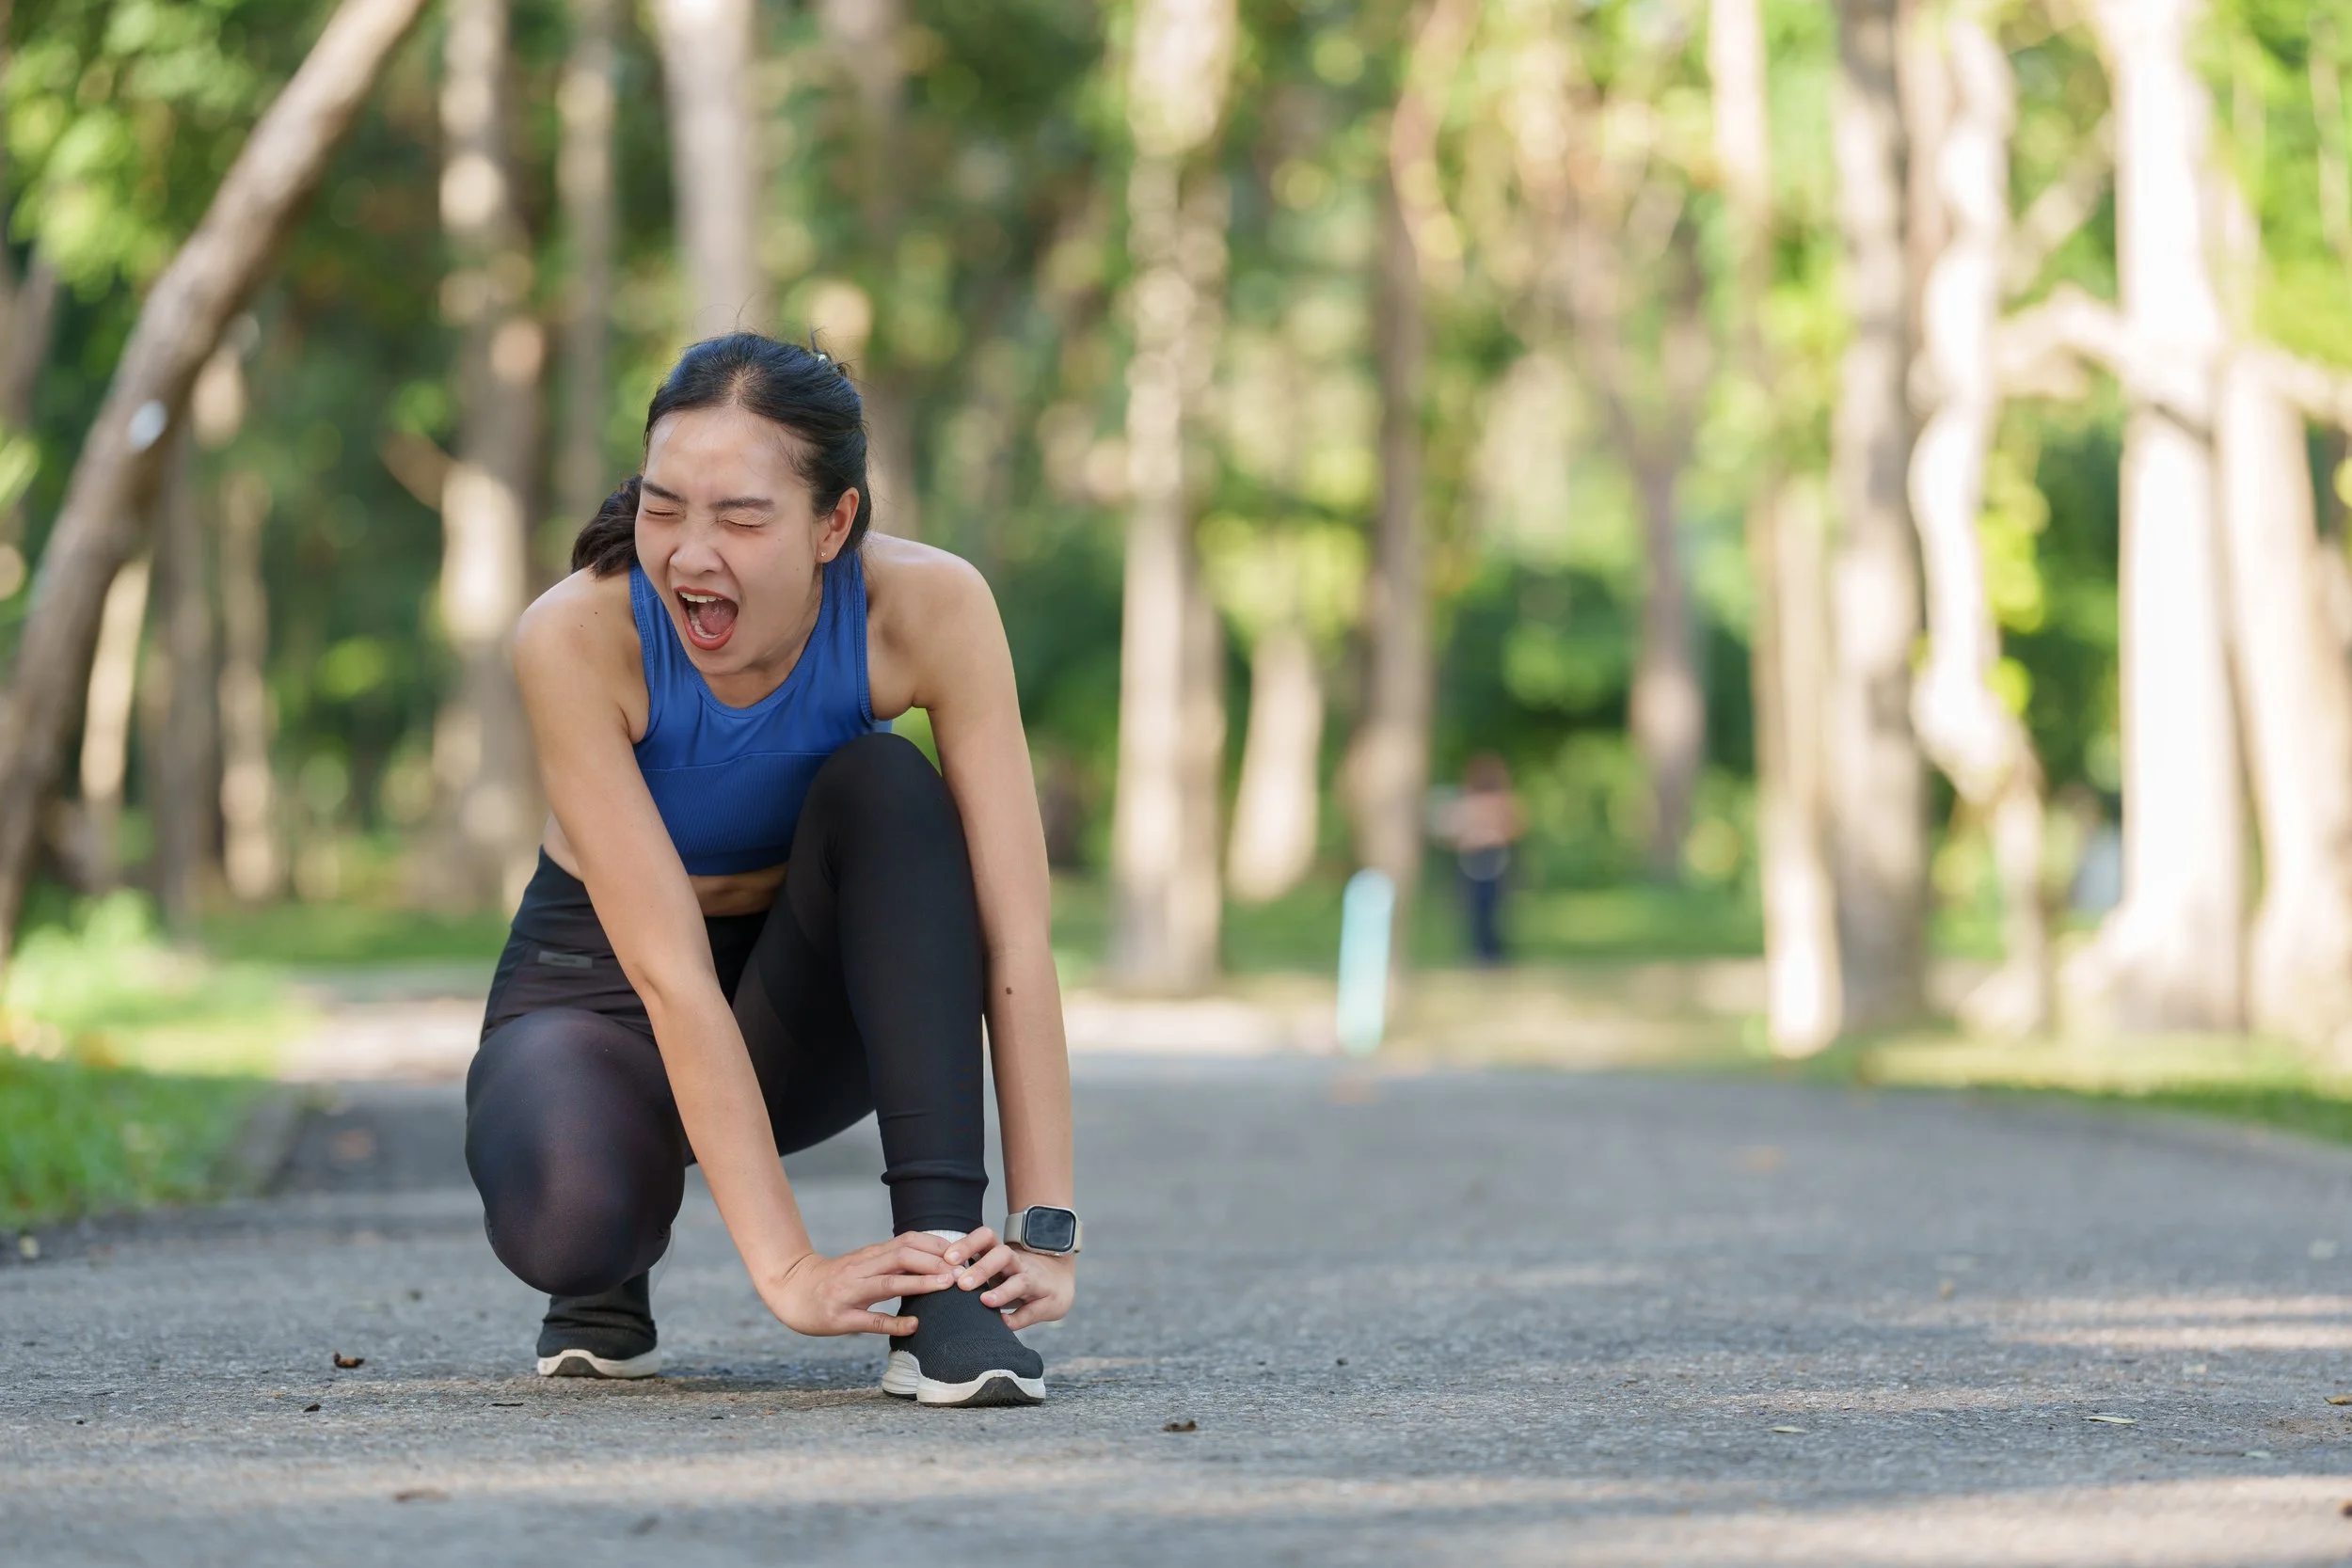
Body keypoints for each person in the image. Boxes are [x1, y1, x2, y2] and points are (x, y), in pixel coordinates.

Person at [465, 333, 1079, 1408]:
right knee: (570, 1214)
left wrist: (1047, 1232)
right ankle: (610, 1266)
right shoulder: (573, 635)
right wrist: (789, 1272)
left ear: (833, 521)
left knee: (888, 784)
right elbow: (669, 976)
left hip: (810, 998)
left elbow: (1015, 932)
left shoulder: (929, 606)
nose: (691, 554)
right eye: (663, 507)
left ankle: (945, 1274)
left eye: (742, 516)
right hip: (605, 986)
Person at [1437, 752, 1525, 965]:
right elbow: (1448, 833)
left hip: (1495, 859)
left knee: (1494, 909)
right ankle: (1479, 951)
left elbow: (1516, 827)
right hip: (1471, 861)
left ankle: (1493, 951)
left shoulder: (1502, 802)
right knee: (1474, 909)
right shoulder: (1465, 803)